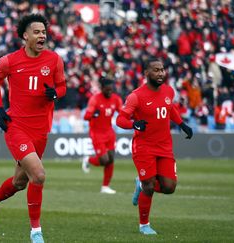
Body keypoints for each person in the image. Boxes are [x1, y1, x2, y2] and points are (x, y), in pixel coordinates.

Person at [0, 14, 66, 243]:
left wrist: (56, 93)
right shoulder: (9, 61)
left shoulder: (55, 59)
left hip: (41, 130)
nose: (42, 35)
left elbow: (62, 86)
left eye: (44, 32)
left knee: (20, 182)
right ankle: (35, 231)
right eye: (37, 32)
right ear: (25, 36)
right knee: (38, 175)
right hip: (16, 126)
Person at [116, 57, 193, 235]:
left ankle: (140, 184)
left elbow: (169, 107)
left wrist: (182, 124)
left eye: (162, 70)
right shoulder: (136, 96)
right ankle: (144, 225)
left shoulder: (168, 91)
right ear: (146, 73)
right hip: (144, 146)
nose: (160, 73)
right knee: (149, 186)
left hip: (165, 146)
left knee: (169, 187)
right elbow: (120, 119)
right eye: (156, 70)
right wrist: (134, 124)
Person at [82, 78, 122, 194]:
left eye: (111, 90)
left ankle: (105, 187)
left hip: (109, 132)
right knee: (104, 160)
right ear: (102, 88)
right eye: (107, 90)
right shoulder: (95, 99)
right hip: (97, 133)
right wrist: (93, 114)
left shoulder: (116, 99)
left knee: (111, 160)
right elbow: (86, 116)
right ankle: (88, 159)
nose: (110, 92)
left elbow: (123, 113)